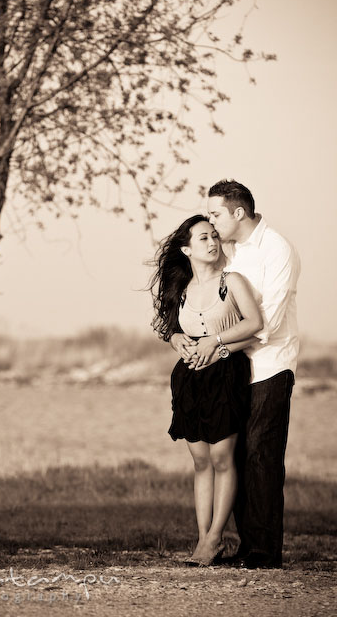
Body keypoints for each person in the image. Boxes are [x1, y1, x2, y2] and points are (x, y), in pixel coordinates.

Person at [173, 180, 300, 569]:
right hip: (233, 368)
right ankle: (244, 545)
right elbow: (207, 299)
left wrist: (216, 345)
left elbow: (267, 323)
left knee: (261, 454)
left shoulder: (276, 250)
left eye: (215, 215)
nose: (211, 224)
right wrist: (183, 337)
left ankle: (264, 552)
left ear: (237, 213)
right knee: (238, 455)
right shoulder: (230, 252)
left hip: (269, 365)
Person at [150, 214, 263, 566]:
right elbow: (173, 332)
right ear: (187, 249)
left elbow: (255, 324)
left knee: (221, 459)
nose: (213, 242)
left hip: (226, 374)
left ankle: (215, 538)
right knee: (201, 462)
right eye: (203, 238)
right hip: (190, 380)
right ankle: (203, 540)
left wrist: (217, 345)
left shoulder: (233, 282)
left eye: (215, 235)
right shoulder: (181, 290)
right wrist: (176, 339)